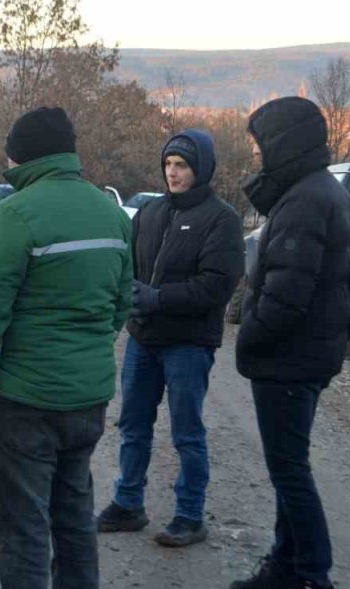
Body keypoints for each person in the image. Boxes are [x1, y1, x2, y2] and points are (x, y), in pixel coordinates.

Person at [0, 107, 132, 589]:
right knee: (74, 517)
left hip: (18, 404)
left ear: (21, 155)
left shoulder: (14, 215)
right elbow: (120, 306)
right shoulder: (112, 215)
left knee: (21, 527)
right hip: (85, 400)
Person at [230, 96, 350, 589]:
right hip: (302, 355)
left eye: (261, 144)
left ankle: (312, 582)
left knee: (290, 471)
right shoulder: (312, 190)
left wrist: (249, 339)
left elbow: (286, 294)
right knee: (287, 469)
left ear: (284, 142)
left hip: (292, 357)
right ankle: (284, 565)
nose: (256, 154)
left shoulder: (307, 199)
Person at [97, 130, 245, 547]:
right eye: (168, 165)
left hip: (188, 343)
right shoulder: (149, 212)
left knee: (186, 432)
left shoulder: (222, 219)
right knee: (132, 424)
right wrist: (131, 296)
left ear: (200, 169)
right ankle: (128, 504)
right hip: (143, 338)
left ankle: (190, 515)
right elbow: (128, 265)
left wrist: (160, 298)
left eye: (181, 166)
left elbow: (218, 286)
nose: (173, 173)